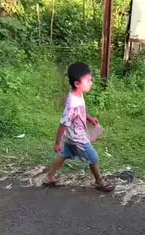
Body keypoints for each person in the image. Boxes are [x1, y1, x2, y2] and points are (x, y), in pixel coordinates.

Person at [44, 62, 114, 191]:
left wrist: (89, 118)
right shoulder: (72, 104)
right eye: (88, 80)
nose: (91, 82)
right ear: (77, 83)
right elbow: (63, 124)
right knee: (93, 157)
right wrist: (57, 143)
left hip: (73, 136)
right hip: (78, 138)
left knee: (65, 154)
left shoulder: (77, 94)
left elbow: (80, 111)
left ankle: (50, 177)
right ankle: (99, 181)